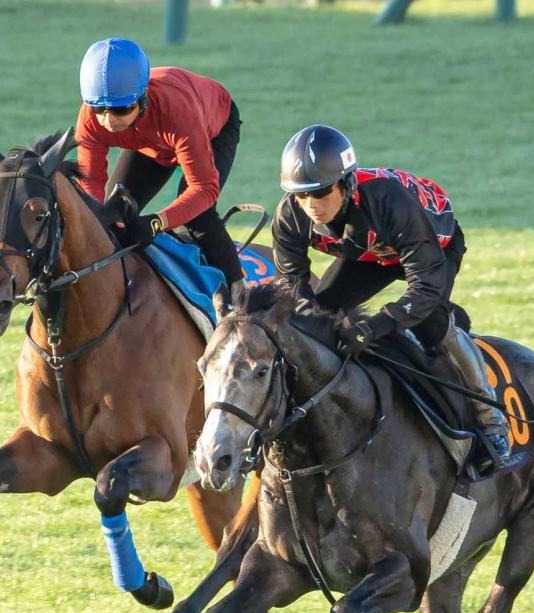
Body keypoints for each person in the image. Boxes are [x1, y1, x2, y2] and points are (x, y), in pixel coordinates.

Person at [271, 124, 511, 466]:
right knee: (319, 316)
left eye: (321, 191)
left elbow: (425, 286)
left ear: (346, 183)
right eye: (301, 194)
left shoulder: (387, 201)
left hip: (431, 247)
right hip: (369, 254)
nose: (311, 205)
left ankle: (491, 422)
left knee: (431, 320)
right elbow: (292, 292)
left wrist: (375, 326)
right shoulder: (290, 217)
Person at [74, 37, 243, 312]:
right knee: (113, 214)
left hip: (212, 129)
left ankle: (239, 292)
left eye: (120, 109)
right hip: (151, 142)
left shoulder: (177, 111)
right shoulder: (90, 120)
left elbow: (204, 188)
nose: (109, 120)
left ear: (143, 98)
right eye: (99, 109)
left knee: (198, 216)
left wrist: (157, 222)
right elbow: (90, 182)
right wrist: (98, 217)